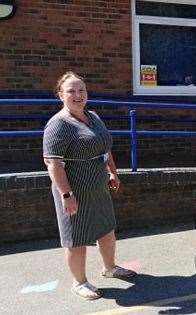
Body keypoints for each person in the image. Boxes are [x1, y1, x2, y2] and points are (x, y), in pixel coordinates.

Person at [43, 71, 136, 300]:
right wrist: (66, 195)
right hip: (74, 189)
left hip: (98, 185)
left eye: (81, 90)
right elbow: (53, 164)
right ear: (60, 95)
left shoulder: (93, 116)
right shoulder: (58, 125)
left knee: (106, 230)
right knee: (76, 237)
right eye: (71, 91)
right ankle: (79, 282)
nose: (78, 95)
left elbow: (105, 148)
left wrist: (112, 172)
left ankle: (110, 268)